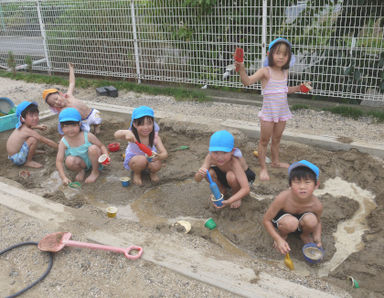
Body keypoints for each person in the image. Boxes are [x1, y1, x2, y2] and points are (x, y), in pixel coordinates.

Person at [235, 38, 311, 181]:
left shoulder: (285, 72)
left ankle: (275, 162)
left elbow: (284, 89)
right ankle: (263, 168)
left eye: (285, 54)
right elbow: (247, 82)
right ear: (270, 54)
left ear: (289, 57)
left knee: (277, 139)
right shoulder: (265, 72)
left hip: (282, 112)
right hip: (268, 114)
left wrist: (299, 88)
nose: (281, 57)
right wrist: (242, 69)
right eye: (277, 53)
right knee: (264, 141)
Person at [263, 160, 322, 255]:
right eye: (297, 182)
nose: (302, 187)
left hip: (301, 221)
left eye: (307, 182)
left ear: (316, 185)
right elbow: (266, 220)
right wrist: (277, 239)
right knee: (291, 223)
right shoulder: (283, 198)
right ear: (290, 184)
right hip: (284, 220)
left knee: (312, 221)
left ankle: (304, 235)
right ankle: (283, 235)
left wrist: (317, 237)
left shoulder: (316, 205)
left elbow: (318, 222)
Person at [194, 130, 254, 209]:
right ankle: (221, 189)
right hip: (224, 173)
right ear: (210, 151)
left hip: (244, 176)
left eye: (224, 153)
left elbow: (246, 189)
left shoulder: (234, 162)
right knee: (209, 173)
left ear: (232, 151)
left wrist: (230, 200)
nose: (220, 157)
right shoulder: (210, 157)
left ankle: (236, 194)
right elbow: (197, 180)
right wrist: (200, 173)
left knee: (231, 176)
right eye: (215, 152)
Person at [114, 106, 168, 186]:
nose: (146, 127)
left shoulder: (155, 137)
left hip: (150, 158)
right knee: (141, 160)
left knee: (157, 164)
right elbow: (116, 134)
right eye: (141, 124)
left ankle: (152, 173)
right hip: (135, 160)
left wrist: (158, 157)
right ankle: (137, 174)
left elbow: (165, 153)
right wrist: (125, 132)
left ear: (153, 123)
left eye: (149, 123)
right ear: (135, 124)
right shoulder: (132, 135)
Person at [42, 63, 102, 134]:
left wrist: (71, 68)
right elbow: (63, 122)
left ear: (60, 94)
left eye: (56, 98)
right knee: (84, 133)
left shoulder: (69, 95)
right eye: (53, 104)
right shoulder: (63, 110)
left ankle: (96, 126)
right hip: (83, 121)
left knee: (97, 117)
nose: (57, 102)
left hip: (91, 113)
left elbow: (72, 83)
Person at [56, 107, 108, 184]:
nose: (70, 129)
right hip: (81, 163)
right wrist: (63, 177)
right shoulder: (63, 142)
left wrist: (106, 155)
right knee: (69, 161)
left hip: (94, 160)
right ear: (61, 127)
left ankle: (95, 172)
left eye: (73, 125)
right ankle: (81, 171)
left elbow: (101, 146)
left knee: (93, 148)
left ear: (80, 124)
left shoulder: (87, 135)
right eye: (66, 126)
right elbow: (59, 161)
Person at [6, 101, 58, 168]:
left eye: (36, 115)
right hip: (17, 159)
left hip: (13, 155)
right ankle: (28, 162)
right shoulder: (27, 131)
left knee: (29, 138)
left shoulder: (22, 126)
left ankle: (31, 152)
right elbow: (46, 141)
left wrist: (38, 127)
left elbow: (29, 127)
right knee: (33, 139)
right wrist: (60, 147)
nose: (35, 118)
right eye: (31, 116)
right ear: (22, 118)